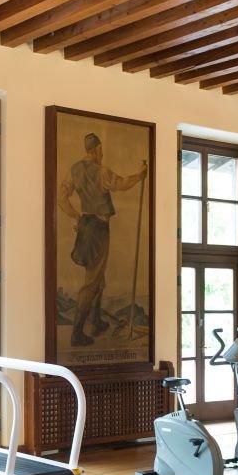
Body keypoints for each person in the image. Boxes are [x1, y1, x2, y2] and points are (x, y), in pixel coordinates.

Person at [57, 132, 148, 347]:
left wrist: (76, 216)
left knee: (98, 278)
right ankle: (77, 333)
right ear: (97, 149)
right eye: (101, 150)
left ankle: (96, 322)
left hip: (86, 227)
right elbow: (121, 183)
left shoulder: (74, 170)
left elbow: (61, 198)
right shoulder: (101, 171)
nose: (102, 154)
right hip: (98, 229)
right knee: (91, 281)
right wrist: (140, 175)